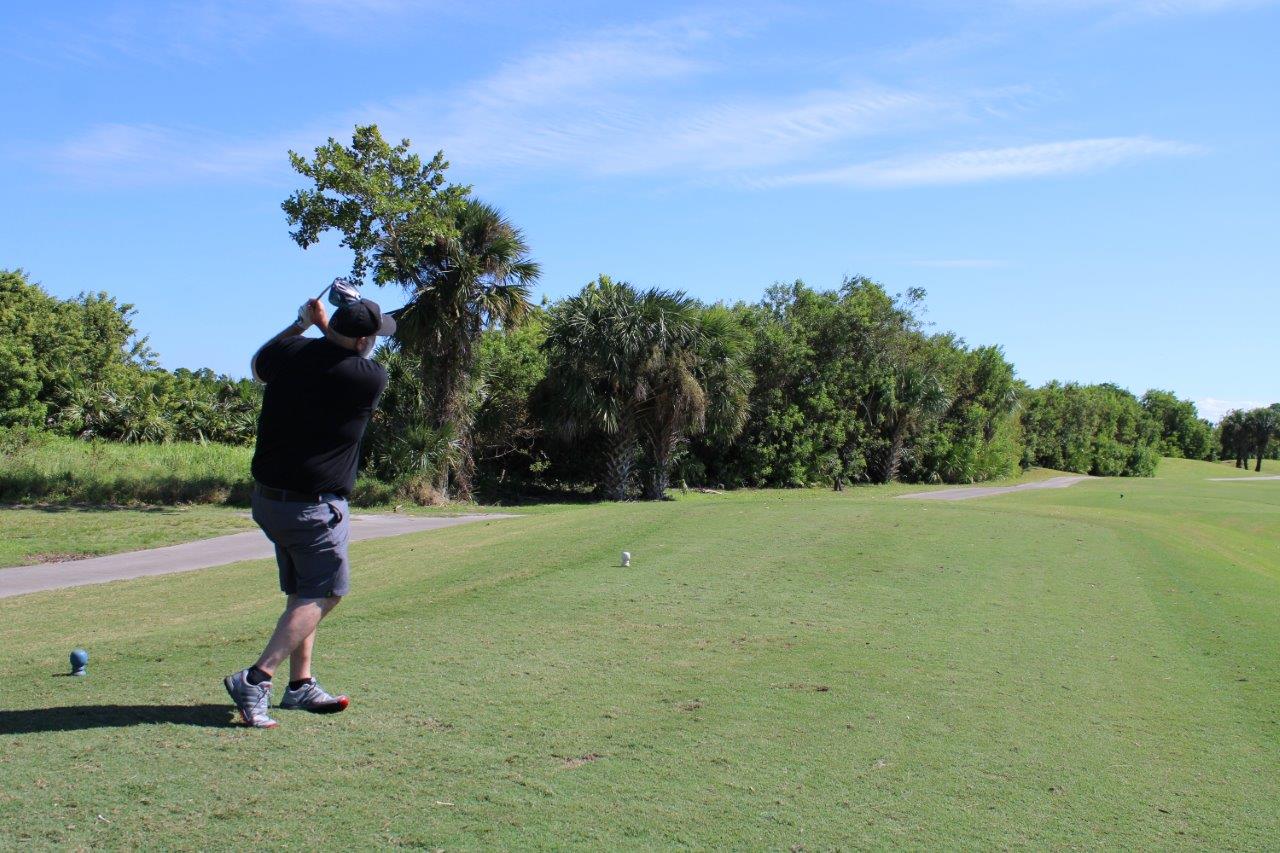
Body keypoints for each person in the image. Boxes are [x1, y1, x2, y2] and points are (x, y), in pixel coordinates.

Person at [223, 287, 393, 728]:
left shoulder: (293, 352)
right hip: (314, 509)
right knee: (327, 593)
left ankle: (300, 685)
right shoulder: (368, 376)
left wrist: (305, 321)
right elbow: (344, 356)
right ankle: (256, 678)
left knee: (303, 592)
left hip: (270, 501)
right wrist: (323, 326)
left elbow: (261, 363)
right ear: (362, 341)